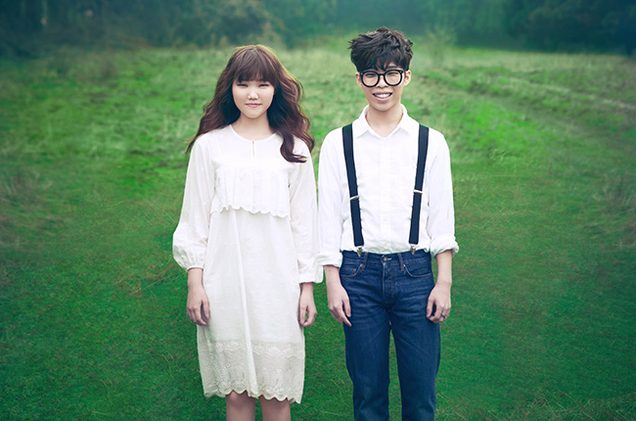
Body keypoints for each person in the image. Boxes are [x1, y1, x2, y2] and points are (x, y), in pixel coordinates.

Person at [173, 45, 321, 421]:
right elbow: (194, 222)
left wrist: (306, 288)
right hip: (223, 287)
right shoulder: (209, 147)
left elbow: (306, 226)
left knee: (276, 396)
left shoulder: (295, 150)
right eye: (244, 84)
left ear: (276, 90)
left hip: (279, 290)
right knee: (236, 395)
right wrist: (195, 283)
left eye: (262, 84)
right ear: (230, 88)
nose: (253, 94)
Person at [318, 27, 459, 420]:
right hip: (357, 275)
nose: (382, 85)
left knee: (421, 392)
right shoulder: (338, 143)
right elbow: (327, 217)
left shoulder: (431, 142)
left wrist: (443, 282)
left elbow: (441, 217)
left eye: (391, 73)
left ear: (406, 76)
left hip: (415, 274)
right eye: (371, 75)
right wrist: (332, 282)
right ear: (359, 79)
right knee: (368, 393)